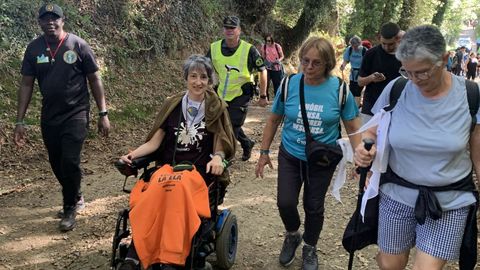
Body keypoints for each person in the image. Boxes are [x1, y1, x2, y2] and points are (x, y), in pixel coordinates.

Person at [354, 25, 479, 270]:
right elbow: (372, 130)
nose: (414, 80)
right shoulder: (398, 88)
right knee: (389, 265)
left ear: (444, 59)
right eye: (407, 71)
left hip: (449, 201)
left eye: (421, 72)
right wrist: (364, 150)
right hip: (396, 193)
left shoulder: (471, 95)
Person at [117, 55, 236, 270]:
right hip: (169, 169)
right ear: (186, 78)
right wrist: (132, 155)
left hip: (198, 172)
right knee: (152, 193)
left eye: (204, 77)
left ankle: (170, 258)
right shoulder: (172, 105)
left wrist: (218, 157)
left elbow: (221, 143)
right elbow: (154, 143)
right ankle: (136, 253)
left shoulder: (216, 108)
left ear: (210, 81)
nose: (198, 82)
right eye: (193, 76)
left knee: (176, 191)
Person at [255, 37, 361, 270]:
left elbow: (353, 127)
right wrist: (263, 152)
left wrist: (360, 159)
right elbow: (273, 119)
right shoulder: (289, 83)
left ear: (328, 64)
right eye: (305, 61)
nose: (309, 68)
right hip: (291, 154)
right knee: (285, 202)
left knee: (313, 206)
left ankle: (310, 247)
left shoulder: (340, 89)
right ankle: (293, 234)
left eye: (316, 63)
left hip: (322, 159)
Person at [13, 3, 110, 232]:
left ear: (62, 21)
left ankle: (69, 208)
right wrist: (20, 121)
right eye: (45, 19)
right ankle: (75, 193)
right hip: (49, 115)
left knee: (69, 160)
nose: (50, 23)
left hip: (76, 112)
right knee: (56, 161)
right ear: (39, 23)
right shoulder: (34, 49)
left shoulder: (78, 45)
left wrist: (102, 113)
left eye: (54, 19)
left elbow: (95, 79)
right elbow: (26, 84)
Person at [206, 15, 268, 161]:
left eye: (233, 28)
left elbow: (263, 70)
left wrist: (263, 96)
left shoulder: (249, 50)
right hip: (221, 93)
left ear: (239, 30)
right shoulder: (214, 48)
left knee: (233, 125)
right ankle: (247, 143)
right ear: (223, 30)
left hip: (242, 94)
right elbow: (205, 67)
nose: (229, 30)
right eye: (226, 28)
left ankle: (224, 158)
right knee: (223, 123)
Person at [358, 22, 402, 123]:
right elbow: (360, 82)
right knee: (368, 138)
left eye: (390, 44)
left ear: (398, 39)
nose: (386, 47)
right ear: (379, 38)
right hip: (370, 107)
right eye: (383, 44)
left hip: (395, 109)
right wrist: (371, 78)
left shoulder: (405, 56)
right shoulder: (371, 54)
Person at [340, 35, 367, 106]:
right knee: (351, 91)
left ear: (359, 43)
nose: (354, 48)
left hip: (361, 74)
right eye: (353, 46)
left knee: (358, 91)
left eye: (356, 46)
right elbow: (346, 60)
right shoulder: (350, 49)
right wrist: (343, 66)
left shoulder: (364, 51)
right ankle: (352, 107)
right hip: (352, 74)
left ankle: (356, 108)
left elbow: (368, 63)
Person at [260, 34, 285, 99]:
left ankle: (277, 100)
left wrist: (278, 60)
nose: (268, 42)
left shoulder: (277, 46)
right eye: (267, 41)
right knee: (266, 84)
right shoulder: (264, 47)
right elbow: (263, 57)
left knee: (277, 86)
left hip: (276, 68)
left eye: (269, 41)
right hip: (267, 68)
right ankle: (265, 100)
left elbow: (282, 56)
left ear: (272, 40)